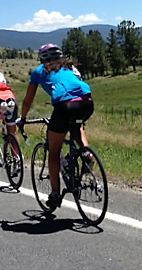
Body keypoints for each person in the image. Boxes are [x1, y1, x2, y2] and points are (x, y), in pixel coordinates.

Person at [19, 44, 94, 211]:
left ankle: (54, 195)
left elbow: (28, 100)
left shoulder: (39, 71)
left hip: (65, 106)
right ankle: (87, 154)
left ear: (42, 58)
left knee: (53, 152)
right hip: (87, 102)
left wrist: (22, 118)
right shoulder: (71, 67)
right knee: (76, 126)